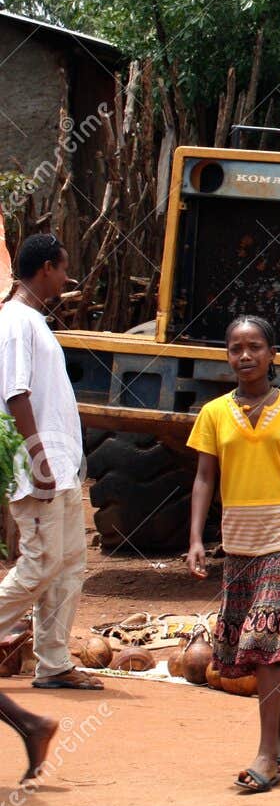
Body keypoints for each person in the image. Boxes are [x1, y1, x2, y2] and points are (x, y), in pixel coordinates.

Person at [186, 316, 280, 792]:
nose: (244, 356)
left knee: (266, 647)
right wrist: (195, 540)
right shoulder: (212, 414)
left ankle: (266, 754)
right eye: (235, 348)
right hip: (238, 541)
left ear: (272, 355)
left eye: (254, 347)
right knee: (255, 649)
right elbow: (205, 478)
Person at [0, 235, 100, 704]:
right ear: (44, 269)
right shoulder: (17, 322)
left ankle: (54, 663)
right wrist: (37, 457)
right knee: (40, 565)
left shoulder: (36, 322)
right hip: (39, 467)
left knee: (68, 566)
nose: (67, 278)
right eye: (62, 269)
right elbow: (15, 394)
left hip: (58, 469)